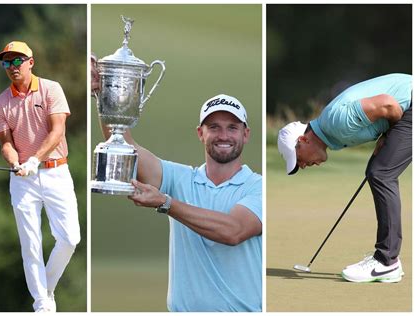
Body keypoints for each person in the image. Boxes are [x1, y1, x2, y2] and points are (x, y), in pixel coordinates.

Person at [92, 61, 262, 311]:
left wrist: (166, 203)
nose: (223, 135)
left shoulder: (257, 187)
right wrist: (103, 93)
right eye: (213, 127)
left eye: (232, 128)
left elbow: (233, 231)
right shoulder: (180, 178)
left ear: (245, 134)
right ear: (200, 133)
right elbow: (122, 143)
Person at [277, 73, 412, 283]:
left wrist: (388, 136)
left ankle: (386, 261)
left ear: (303, 140)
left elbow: (388, 105)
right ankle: (388, 259)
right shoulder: (332, 135)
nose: (302, 166)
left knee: (381, 174)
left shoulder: (335, 124)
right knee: (376, 171)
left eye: (298, 160)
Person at [0, 41, 81, 312]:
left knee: (70, 239)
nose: (13, 67)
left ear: (31, 61)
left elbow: (57, 133)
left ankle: (47, 288)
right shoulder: (0, 103)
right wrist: (16, 161)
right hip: (23, 180)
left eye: (18, 61)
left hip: (56, 171)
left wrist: (34, 159)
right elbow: (5, 144)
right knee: (30, 243)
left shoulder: (51, 89)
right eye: (7, 62)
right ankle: (42, 304)